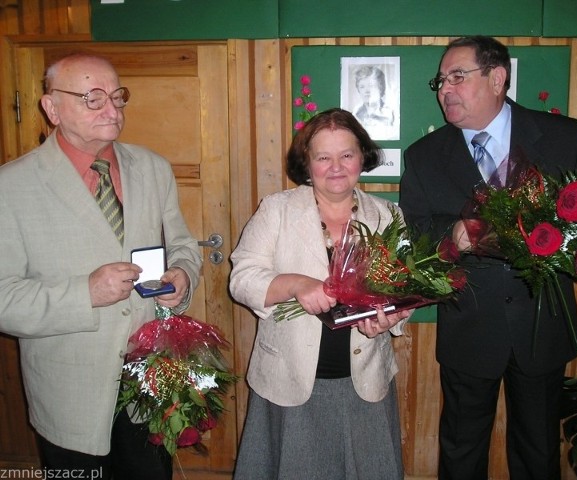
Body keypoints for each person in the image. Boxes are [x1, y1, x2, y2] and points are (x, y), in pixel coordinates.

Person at [399, 36, 577, 480]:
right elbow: (415, 233)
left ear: (497, 78)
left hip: (543, 326)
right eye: (440, 81)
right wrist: (452, 236)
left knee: (538, 454)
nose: (444, 89)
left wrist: (561, 245)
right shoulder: (423, 156)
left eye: (457, 77)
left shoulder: (563, 137)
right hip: (469, 329)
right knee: (460, 453)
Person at [0, 53, 202, 479]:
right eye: (92, 98)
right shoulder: (11, 187)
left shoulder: (153, 168)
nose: (112, 110)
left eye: (117, 96)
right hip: (69, 393)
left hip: (150, 387)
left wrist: (182, 278)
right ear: (51, 107)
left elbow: (183, 246)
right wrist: (85, 294)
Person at [230, 108, 410, 480]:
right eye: (323, 157)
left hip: (366, 381)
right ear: (306, 162)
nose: (336, 167)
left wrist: (390, 316)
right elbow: (242, 279)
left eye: (347, 154)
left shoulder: (388, 215)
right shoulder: (277, 210)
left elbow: (403, 287)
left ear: (363, 156)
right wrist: (296, 285)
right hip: (290, 383)